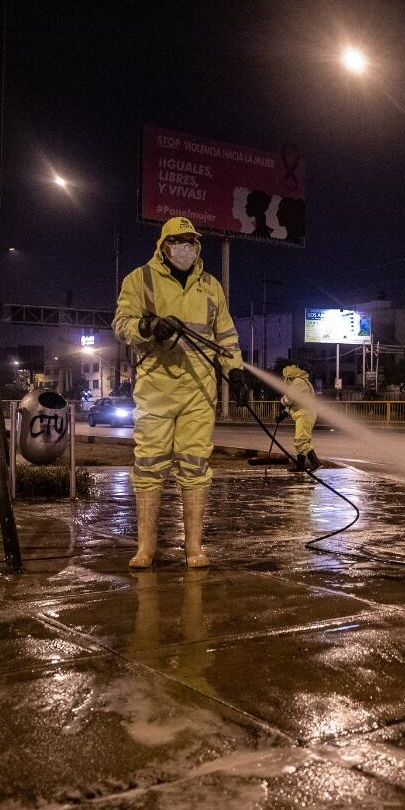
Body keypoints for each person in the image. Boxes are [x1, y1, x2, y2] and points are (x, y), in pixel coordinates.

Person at [112, 217, 249, 569]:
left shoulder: (211, 286)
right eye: (179, 240)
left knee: (195, 464)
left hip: (199, 390)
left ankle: (194, 549)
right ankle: (146, 548)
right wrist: (148, 325)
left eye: (191, 241)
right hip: (156, 386)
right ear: (164, 244)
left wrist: (236, 372)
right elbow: (122, 324)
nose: (186, 246)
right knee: (149, 464)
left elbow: (226, 336)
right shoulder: (139, 279)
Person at [276, 362, 320, 472]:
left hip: (305, 414)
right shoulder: (298, 383)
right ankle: (300, 466)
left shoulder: (298, 382)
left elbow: (290, 398)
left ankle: (315, 462)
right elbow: (295, 402)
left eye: (284, 377)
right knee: (301, 440)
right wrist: (284, 414)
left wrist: (282, 402)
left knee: (301, 441)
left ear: (289, 376)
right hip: (304, 413)